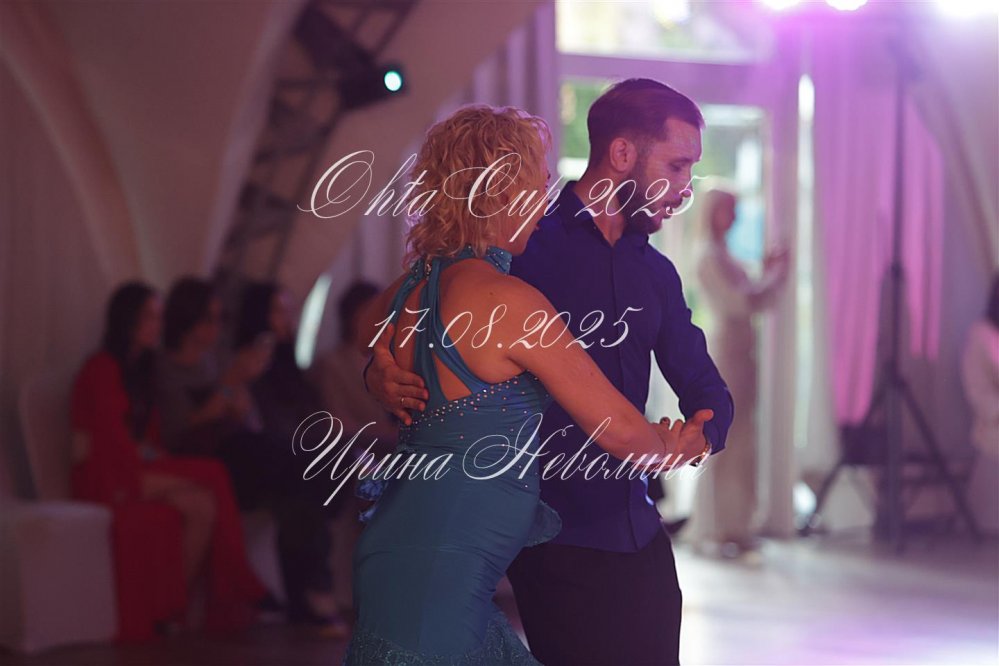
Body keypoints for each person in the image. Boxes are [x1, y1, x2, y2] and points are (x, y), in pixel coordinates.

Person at [367, 80, 735, 666]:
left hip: (637, 527)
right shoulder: (516, 247)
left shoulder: (656, 273)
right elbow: (402, 317)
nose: (686, 187)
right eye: (677, 165)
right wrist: (379, 371)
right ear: (622, 154)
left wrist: (703, 432)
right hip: (550, 536)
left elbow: (703, 382)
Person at [70, 282, 266, 636]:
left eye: (159, 317)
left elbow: (144, 436)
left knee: (201, 506)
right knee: (213, 473)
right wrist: (146, 453)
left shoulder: (141, 369)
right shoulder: (101, 367)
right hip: (107, 472)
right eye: (149, 317)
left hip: (133, 463)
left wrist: (149, 452)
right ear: (127, 320)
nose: (156, 326)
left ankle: (172, 607)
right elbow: (110, 439)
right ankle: (236, 580)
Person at [156, 277, 341, 633]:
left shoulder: (213, 362)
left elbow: (239, 414)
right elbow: (182, 428)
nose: (216, 328)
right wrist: (233, 382)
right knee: (302, 471)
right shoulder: (168, 367)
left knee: (300, 487)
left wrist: (237, 392)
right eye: (209, 319)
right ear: (188, 321)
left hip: (240, 450)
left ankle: (309, 598)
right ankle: (313, 595)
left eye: (220, 318)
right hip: (206, 460)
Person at [685, 186, 789, 557]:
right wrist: (774, 275)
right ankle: (713, 525)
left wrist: (770, 275)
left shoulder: (723, 255)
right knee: (723, 438)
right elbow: (741, 302)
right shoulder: (708, 256)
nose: (735, 217)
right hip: (726, 356)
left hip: (742, 355)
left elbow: (753, 299)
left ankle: (736, 524)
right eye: (729, 209)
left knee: (743, 440)